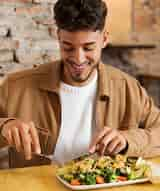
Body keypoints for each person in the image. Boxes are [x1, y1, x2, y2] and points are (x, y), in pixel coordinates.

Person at [0, 0, 160, 168]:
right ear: (59, 37)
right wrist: (5, 126)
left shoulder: (128, 88)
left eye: (88, 48)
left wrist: (128, 140)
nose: (78, 59)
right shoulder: (16, 86)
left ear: (104, 39)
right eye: (68, 47)